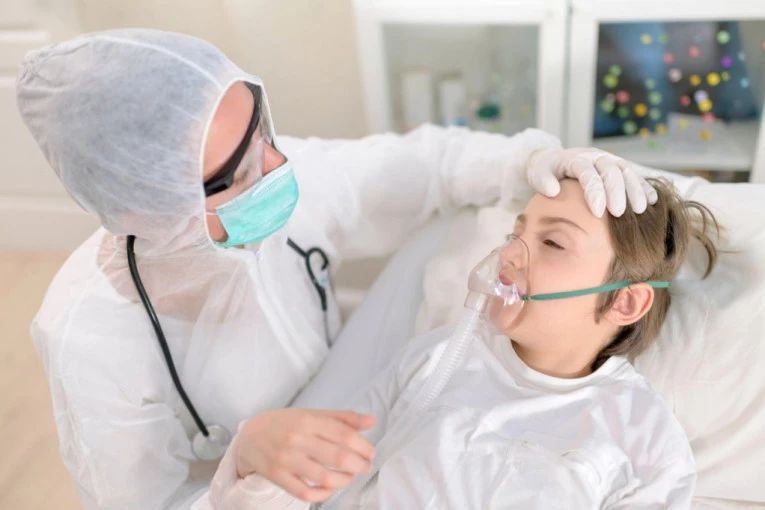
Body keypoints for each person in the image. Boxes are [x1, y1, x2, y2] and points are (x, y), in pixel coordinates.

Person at [18, 28, 659, 509]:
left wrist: (532, 164)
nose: (276, 167)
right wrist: (241, 464)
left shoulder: (632, 430)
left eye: (262, 131)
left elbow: (428, 167)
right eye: (236, 173)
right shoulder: (92, 342)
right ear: (146, 211)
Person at [199, 178, 718, 508]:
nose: (509, 254)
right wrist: (253, 462)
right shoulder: (436, 359)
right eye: (516, 233)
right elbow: (322, 483)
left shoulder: (643, 439)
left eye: (552, 242)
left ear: (625, 302)